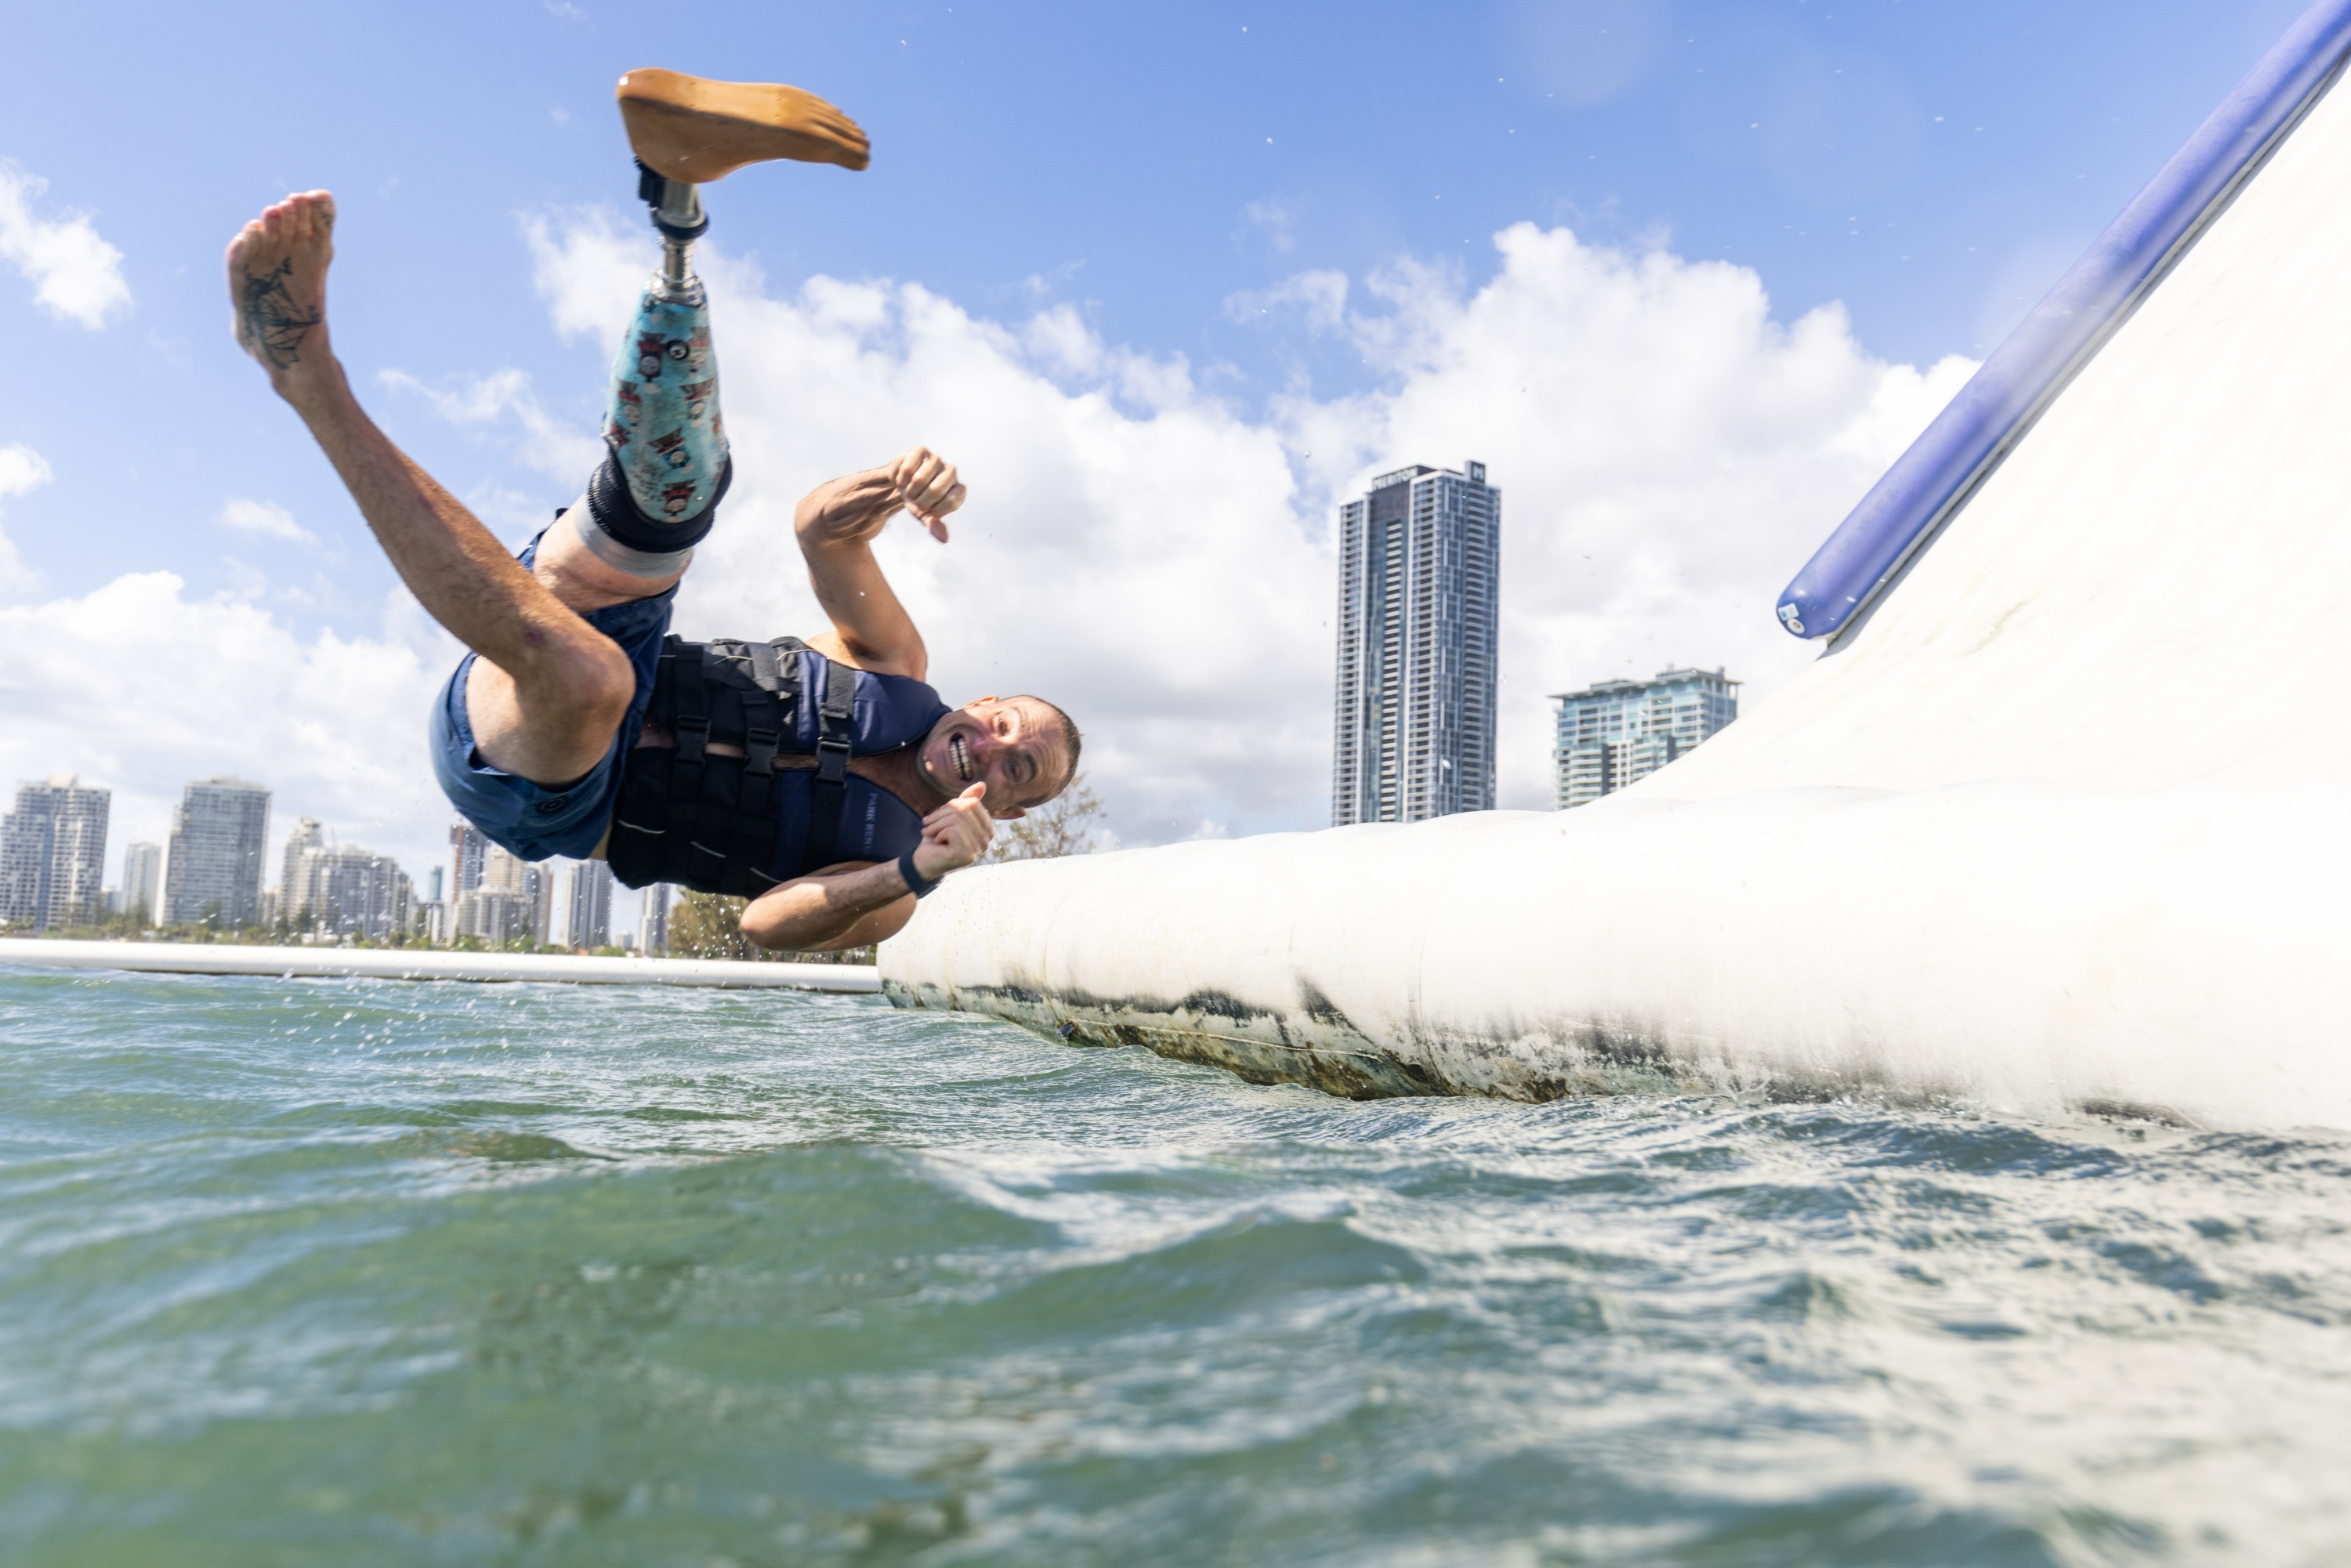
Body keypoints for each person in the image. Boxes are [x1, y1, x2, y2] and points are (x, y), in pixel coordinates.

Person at [223, 70, 1079, 951]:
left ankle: (308, 373)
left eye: (1021, 768)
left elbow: (767, 925)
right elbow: (822, 531)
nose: (993, 745)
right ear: (980, 701)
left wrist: (911, 872)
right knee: (674, 498)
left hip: (551, 786)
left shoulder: (903, 879)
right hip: (599, 641)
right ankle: (678, 209)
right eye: (1003, 723)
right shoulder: (893, 665)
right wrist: (894, 486)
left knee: (594, 683)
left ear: (1010, 810)